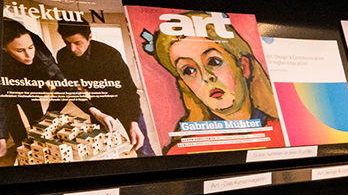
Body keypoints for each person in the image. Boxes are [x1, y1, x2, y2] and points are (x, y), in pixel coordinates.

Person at [140, 11, 283, 151]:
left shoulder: (282, 133)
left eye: (214, 62)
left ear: (244, 66)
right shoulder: (183, 151)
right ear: (186, 85)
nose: (206, 77)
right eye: (188, 71)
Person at [55, 19, 150, 155]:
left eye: (77, 43)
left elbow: (129, 89)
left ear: (89, 37)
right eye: (67, 42)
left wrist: (133, 121)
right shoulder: (63, 55)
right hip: (99, 106)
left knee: (143, 148)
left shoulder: (110, 54)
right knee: (101, 149)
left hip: (124, 103)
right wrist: (95, 112)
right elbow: (68, 88)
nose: (72, 49)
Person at [0, 18, 70, 159]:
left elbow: (64, 85)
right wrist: (1, 136)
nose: (29, 55)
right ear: (4, 48)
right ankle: (23, 151)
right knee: (14, 125)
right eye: (20, 50)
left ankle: (40, 147)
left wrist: (51, 112)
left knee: (37, 119)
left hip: (29, 87)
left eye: (31, 48)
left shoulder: (36, 45)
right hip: (5, 92)